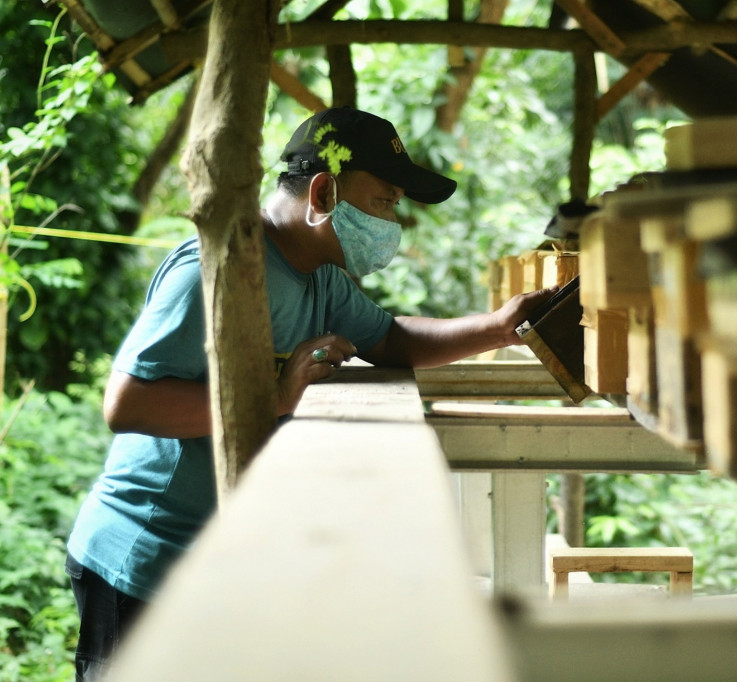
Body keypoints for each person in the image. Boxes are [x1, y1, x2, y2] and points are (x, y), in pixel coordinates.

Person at [64, 106, 555, 680]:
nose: (393, 222)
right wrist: (274, 396)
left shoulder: (320, 273)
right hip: (143, 563)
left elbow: (391, 338)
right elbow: (126, 405)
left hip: (215, 564)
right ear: (323, 192)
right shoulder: (215, 266)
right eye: (385, 201)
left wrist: (498, 326)